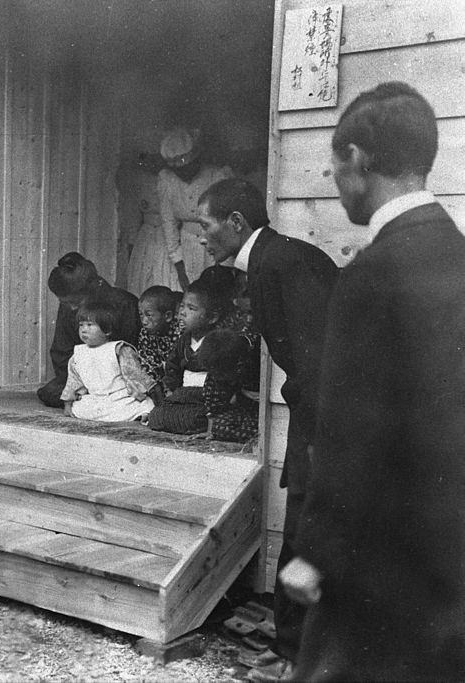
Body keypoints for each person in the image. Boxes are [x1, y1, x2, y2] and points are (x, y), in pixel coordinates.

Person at [279, 82, 465, 680]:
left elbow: (353, 433)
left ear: (357, 159)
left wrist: (316, 553)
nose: (336, 188)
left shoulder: (372, 275)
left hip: (379, 559)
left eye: (334, 170)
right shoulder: (458, 256)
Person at [196, 177, 337, 678]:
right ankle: (293, 645)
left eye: (206, 225)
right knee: (302, 529)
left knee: (307, 530)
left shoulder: (285, 263)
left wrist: (322, 440)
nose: (201, 236)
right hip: (319, 415)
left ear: (236, 223)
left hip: (331, 421)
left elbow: (324, 361)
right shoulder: (268, 261)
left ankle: (296, 656)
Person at [37, 252, 140, 409]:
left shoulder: (124, 304)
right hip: (84, 378)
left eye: (75, 302)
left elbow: (132, 356)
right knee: (49, 392)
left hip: (117, 378)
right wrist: (81, 378)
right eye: (65, 302)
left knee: (129, 395)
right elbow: (61, 352)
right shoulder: (68, 306)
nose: (71, 308)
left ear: (90, 289)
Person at [157, 127, 234, 290]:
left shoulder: (217, 176)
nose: (182, 173)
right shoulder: (167, 181)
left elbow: (228, 222)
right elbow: (168, 223)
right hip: (187, 248)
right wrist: (178, 263)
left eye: (186, 166)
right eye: (177, 169)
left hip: (217, 243)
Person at [147, 278, 226, 435]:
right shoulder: (184, 340)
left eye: (191, 308)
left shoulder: (218, 341)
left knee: (195, 418)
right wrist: (171, 391)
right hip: (182, 394)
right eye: (182, 306)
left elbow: (223, 378)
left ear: (212, 318)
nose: (182, 312)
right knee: (156, 416)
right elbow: (173, 368)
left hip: (205, 396)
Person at [60, 298, 156, 422]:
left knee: (142, 405)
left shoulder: (118, 349)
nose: (84, 329)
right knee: (80, 407)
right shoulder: (78, 354)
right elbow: (73, 382)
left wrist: (144, 392)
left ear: (107, 330)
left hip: (119, 397)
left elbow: (135, 375)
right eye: (81, 325)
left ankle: (141, 413)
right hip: (96, 398)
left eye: (90, 325)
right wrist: (68, 404)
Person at [199, 328, 259, 443]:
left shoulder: (255, 352)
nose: (217, 376)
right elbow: (212, 400)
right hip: (242, 407)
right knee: (220, 426)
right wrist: (211, 431)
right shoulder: (218, 359)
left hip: (260, 410)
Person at [135, 285, 181, 390]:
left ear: (167, 316)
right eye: (141, 315)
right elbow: (147, 364)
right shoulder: (146, 334)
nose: (144, 321)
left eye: (149, 315)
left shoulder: (181, 334)